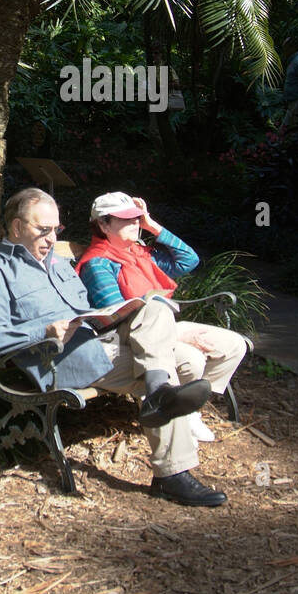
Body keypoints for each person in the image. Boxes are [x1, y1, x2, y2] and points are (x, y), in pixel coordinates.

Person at [0, 187, 227, 508]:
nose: (51, 238)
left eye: (56, 230)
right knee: (171, 363)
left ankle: (158, 396)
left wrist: (114, 316)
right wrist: (45, 330)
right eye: (43, 229)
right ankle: (171, 473)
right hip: (58, 360)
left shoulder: (59, 265)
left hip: (97, 342)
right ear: (17, 227)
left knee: (159, 314)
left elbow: (88, 311)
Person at [75, 192, 248, 448]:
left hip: (161, 326)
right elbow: (115, 315)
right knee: (193, 356)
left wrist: (151, 224)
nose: (134, 223)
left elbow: (189, 260)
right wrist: (180, 336)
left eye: (136, 217)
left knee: (234, 345)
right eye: (126, 219)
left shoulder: (141, 255)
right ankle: (174, 409)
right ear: (103, 224)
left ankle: (189, 407)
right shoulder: (98, 264)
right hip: (129, 335)